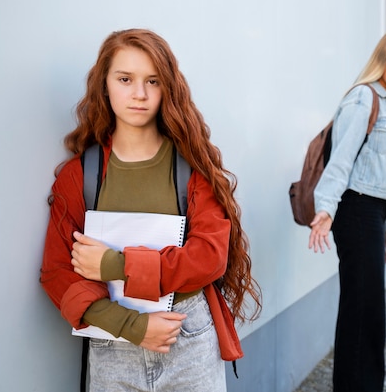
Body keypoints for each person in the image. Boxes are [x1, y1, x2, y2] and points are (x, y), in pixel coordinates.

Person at [39, 28, 261, 392]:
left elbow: (209, 257)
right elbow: (56, 273)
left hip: (187, 336)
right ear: (104, 85)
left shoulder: (192, 168)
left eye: (152, 81)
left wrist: (115, 264)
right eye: (125, 79)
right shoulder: (79, 175)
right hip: (111, 342)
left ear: (168, 88)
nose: (139, 94)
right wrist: (132, 326)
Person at [308, 28, 386, 392]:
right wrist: (325, 208)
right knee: (361, 313)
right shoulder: (364, 98)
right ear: (380, 60)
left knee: (370, 313)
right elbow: (340, 160)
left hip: (372, 213)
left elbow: (385, 179)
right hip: (354, 211)